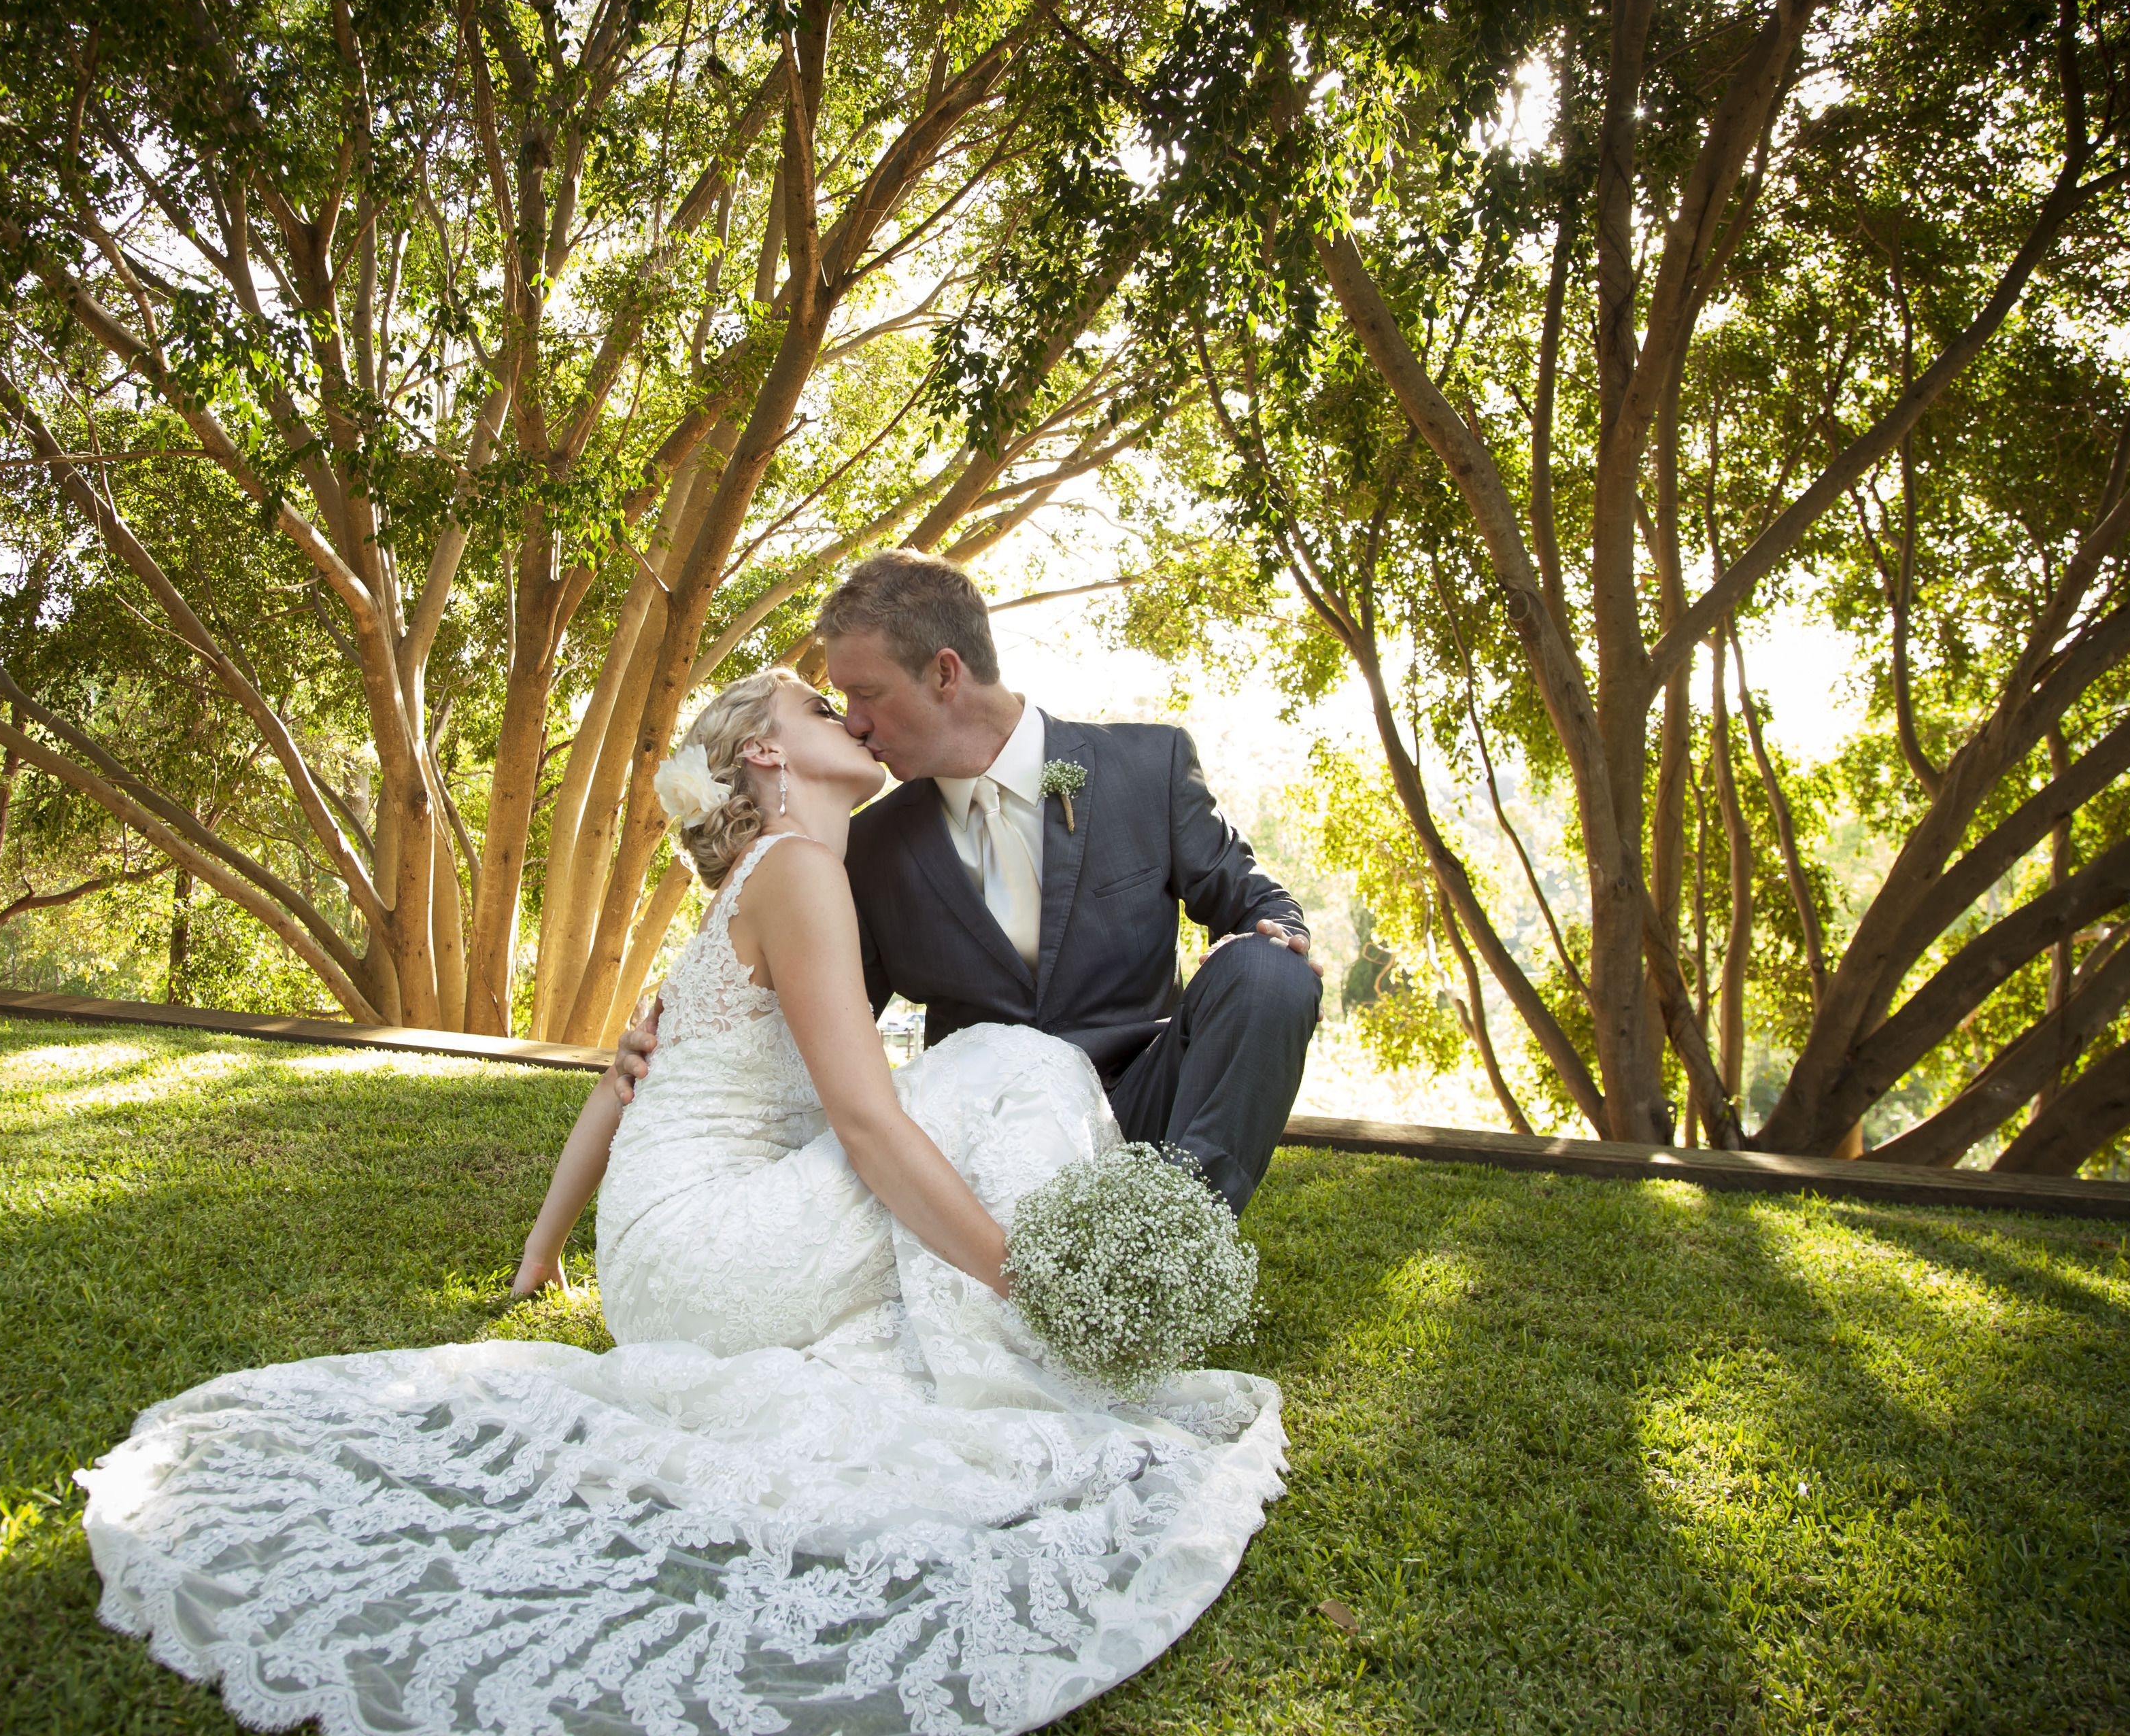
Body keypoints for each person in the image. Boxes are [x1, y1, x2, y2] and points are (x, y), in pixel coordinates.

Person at [78, 668, 1286, 1736]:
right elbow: (866, 1125)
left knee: (980, 1077)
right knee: (1011, 1060)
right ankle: (1054, 1317)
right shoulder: (798, 873)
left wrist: (543, 1254)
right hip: (711, 1256)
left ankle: (1068, 1283)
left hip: (658, 1263)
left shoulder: (769, 883)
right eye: (819, 705)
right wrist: (1013, 1269)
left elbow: (626, 1078)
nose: (848, 714)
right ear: (766, 750)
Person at [615, 549, 1324, 1216]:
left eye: (865, 693)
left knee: (1272, 970)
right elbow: (806, 1021)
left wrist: (1282, 935)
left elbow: (1258, 901)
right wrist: (671, 1053)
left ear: (945, 674)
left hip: (1144, 1102)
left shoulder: (1147, 766)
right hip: (987, 1156)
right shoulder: (869, 849)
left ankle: (1181, 1233)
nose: (854, 724)